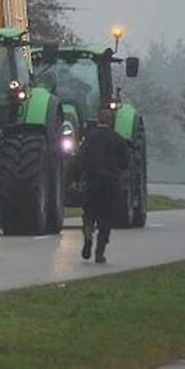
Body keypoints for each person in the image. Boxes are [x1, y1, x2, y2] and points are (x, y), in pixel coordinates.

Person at [78, 107, 130, 263]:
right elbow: (124, 163)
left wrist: (77, 178)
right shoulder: (118, 139)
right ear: (111, 121)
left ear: (98, 120)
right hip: (111, 183)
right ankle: (99, 253)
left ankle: (88, 233)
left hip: (92, 181)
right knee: (106, 218)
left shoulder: (89, 138)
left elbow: (81, 159)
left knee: (89, 212)